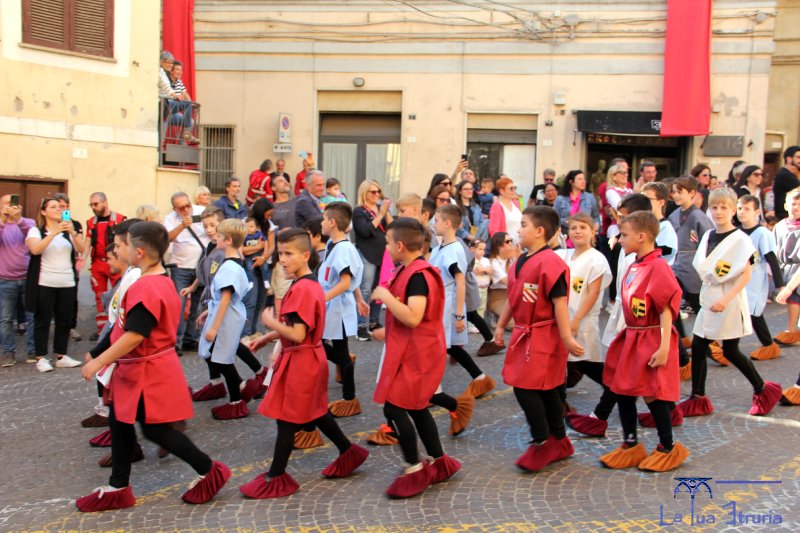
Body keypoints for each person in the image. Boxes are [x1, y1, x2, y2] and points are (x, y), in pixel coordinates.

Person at [76, 222, 231, 512]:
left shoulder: (147, 286)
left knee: (155, 431)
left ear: (138, 252)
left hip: (146, 371)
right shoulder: (158, 279)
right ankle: (118, 486)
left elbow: (136, 335)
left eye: (121, 246)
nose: (117, 251)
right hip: (139, 369)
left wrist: (100, 360)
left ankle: (209, 470)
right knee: (120, 422)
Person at [241, 229, 369, 499]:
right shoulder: (308, 285)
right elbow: (297, 327)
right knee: (316, 412)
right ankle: (348, 452)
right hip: (306, 357)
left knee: (287, 419)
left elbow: (298, 334)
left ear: (305, 256)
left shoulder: (302, 289)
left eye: (289, 254)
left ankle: (276, 476)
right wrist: (268, 337)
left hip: (302, 360)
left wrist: (271, 323)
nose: (282, 259)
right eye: (280, 254)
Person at [369, 218, 461, 498]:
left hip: (419, 354)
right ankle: (438, 460)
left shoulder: (419, 275)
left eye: (388, 243)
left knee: (395, 408)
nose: (386, 248)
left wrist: (384, 295)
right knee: (418, 408)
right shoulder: (409, 270)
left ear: (400, 245)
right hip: (413, 350)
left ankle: (414, 467)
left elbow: (413, 317)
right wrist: (388, 331)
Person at [493, 206, 583, 472]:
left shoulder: (551, 263)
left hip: (544, 335)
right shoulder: (520, 260)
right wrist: (500, 326)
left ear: (539, 231)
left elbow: (559, 303)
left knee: (527, 387)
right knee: (546, 389)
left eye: (523, 225)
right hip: (524, 333)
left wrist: (566, 338)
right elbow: (513, 297)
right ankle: (559, 439)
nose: (518, 230)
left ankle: (542, 440)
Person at [678, 189, 782, 418]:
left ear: (733, 210)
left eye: (724, 208)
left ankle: (762, 389)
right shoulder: (708, 235)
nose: (719, 212)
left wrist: (726, 299)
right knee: (699, 346)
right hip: (709, 297)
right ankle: (698, 396)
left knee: (731, 350)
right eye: (714, 207)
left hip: (729, 300)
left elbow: (746, 274)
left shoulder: (741, 240)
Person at [598, 211, 689, 472]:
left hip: (650, 336)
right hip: (633, 335)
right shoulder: (635, 264)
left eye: (624, 235)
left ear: (641, 236)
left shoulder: (658, 267)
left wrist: (664, 347)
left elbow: (665, 309)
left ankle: (667, 447)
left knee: (653, 393)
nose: (620, 239)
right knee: (623, 390)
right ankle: (630, 444)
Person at [185, 208, 267, 404]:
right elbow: (208, 276)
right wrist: (205, 304)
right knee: (217, 349)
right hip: (215, 303)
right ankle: (227, 385)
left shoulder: (227, 261)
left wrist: (214, 325)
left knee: (220, 352)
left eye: (214, 227)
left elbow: (226, 296)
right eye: (205, 226)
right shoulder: (214, 249)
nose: (210, 231)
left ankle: (240, 390)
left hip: (222, 307)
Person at [80, 219, 143, 432]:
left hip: (131, 348)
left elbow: (130, 327)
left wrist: (98, 355)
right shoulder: (129, 276)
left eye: (117, 246)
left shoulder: (137, 278)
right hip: (119, 340)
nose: (113, 252)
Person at [431, 205, 495, 398]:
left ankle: (434, 391)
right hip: (440, 303)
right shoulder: (440, 248)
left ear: (447, 223)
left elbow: (460, 281)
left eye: (437, 220)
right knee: (449, 346)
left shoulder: (454, 249)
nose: (434, 224)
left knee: (436, 347)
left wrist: (459, 315)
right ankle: (480, 378)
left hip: (447, 306)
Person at [555, 213, 612, 425]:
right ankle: (559, 406)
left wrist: (577, 319)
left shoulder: (597, 259)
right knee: (561, 365)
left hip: (583, 322)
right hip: (562, 320)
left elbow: (593, 293)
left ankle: (616, 390)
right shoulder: (563, 255)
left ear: (592, 231)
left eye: (582, 227)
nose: (577, 231)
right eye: (573, 228)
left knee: (588, 363)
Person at [196, 219, 252, 420]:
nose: (215, 238)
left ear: (228, 240)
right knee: (219, 356)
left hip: (226, 318)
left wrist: (214, 327)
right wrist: (209, 312)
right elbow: (222, 298)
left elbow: (226, 298)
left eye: (219, 236)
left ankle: (237, 400)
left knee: (221, 357)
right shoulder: (234, 263)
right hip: (226, 314)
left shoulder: (228, 267)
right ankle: (239, 390)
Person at [25, 198, 84, 372]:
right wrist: (52, 233)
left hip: (67, 282)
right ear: (43, 211)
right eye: (53, 207)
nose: (58, 209)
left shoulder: (67, 231)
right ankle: (41, 357)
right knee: (42, 320)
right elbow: (35, 249)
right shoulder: (36, 230)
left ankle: (61, 355)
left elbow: (81, 249)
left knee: (64, 321)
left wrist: (73, 232)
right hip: (45, 282)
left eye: (60, 207)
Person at [319, 203, 365, 417]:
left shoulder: (344, 249)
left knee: (328, 347)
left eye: (323, 219)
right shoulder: (333, 244)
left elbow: (346, 282)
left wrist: (321, 299)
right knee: (330, 348)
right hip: (332, 305)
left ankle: (349, 398)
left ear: (332, 222)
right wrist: (360, 299)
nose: (321, 222)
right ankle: (345, 367)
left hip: (338, 307)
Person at [737, 195, 784, 360]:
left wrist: (780, 286)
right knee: (736, 313)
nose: (742, 212)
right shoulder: (736, 232)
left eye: (747, 209)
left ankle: (768, 345)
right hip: (737, 281)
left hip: (754, 282)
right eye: (739, 208)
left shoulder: (762, 233)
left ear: (757, 212)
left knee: (753, 314)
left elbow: (772, 259)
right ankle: (726, 346)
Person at [164, 192, 209, 353]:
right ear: (174, 209)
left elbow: (214, 228)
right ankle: (175, 342)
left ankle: (191, 338)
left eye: (187, 205)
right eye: (181, 208)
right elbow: (167, 238)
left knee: (198, 305)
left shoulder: (201, 211)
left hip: (201, 266)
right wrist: (182, 225)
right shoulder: (170, 218)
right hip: (181, 267)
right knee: (179, 305)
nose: (186, 209)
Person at [353, 179, 392, 340]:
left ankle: (374, 322)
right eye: (373, 192)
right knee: (366, 289)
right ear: (365, 193)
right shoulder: (359, 211)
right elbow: (365, 231)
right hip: (367, 253)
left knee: (380, 288)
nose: (377, 194)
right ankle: (361, 325)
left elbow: (392, 228)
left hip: (383, 254)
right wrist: (380, 214)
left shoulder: (380, 209)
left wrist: (386, 212)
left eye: (378, 191)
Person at [668, 176, 713, 315]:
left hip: (693, 266)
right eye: (674, 192)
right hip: (676, 264)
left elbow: (708, 241)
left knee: (697, 302)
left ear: (691, 193)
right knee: (671, 301)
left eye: (679, 192)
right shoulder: (674, 215)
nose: (676, 195)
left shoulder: (698, 216)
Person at [0, 194, 35, 367]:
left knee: (32, 316)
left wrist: (18, 219)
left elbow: (33, 237)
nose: (8, 207)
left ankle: (33, 350)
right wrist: (2, 221)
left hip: (28, 277)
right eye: (4, 204)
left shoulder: (28, 222)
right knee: (5, 319)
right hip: (5, 279)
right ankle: (8, 352)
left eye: (11, 203)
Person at [86, 192, 126, 338]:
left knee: (119, 293)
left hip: (115, 261)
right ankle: (102, 330)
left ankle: (117, 327)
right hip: (97, 263)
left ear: (105, 202)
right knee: (99, 296)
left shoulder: (120, 219)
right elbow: (88, 242)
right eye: (91, 204)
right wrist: (83, 258)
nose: (93, 207)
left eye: (96, 204)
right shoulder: (91, 222)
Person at [772, 187, 800, 345]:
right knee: (792, 298)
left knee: (794, 297)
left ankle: (791, 330)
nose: (796, 207)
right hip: (785, 266)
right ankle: (793, 330)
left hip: (798, 267)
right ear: (785, 205)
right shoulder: (780, 226)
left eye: (799, 204)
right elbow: (774, 248)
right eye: (793, 203)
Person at [553, 170, 600, 235]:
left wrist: (596, 224)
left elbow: (595, 216)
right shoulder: (560, 199)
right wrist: (565, 221)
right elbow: (554, 218)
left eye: (584, 179)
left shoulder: (589, 197)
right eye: (580, 179)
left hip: (585, 235)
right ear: (571, 182)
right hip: (566, 234)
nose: (583, 181)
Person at [641, 182, 678, 266]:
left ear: (661, 202)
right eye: (641, 199)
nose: (643, 203)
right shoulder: (640, 225)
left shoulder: (665, 227)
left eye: (647, 199)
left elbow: (666, 255)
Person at [486, 232, 514, 324]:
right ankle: (496, 316)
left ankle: (498, 317)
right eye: (507, 241)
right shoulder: (493, 262)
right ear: (499, 246)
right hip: (498, 295)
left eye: (511, 241)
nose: (511, 243)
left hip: (512, 294)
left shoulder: (512, 259)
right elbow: (506, 281)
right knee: (512, 323)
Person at [604, 165, 634, 242]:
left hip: (631, 228)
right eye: (622, 173)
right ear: (614, 176)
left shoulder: (630, 191)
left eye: (626, 173)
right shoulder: (611, 191)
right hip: (616, 230)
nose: (626, 175)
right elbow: (620, 207)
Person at [488, 177, 522, 243]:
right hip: (506, 244)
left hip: (520, 244)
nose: (514, 191)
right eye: (511, 188)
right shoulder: (497, 206)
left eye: (515, 188)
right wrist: (503, 244)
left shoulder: (516, 203)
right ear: (502, 191)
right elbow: (493, 230)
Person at [772, 146, 800, 220]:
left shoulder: (789, 174)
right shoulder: (785, 175)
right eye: (798, 157)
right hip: (787, 218)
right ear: (789, 159)